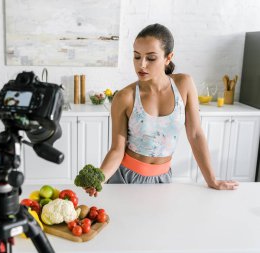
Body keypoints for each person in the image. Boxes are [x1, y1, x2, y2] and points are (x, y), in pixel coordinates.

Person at [86, 23, 239, 197]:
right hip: (125, 179)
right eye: (137, 57)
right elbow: (117, 149)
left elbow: (195, 134)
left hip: (163, 180)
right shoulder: (124, 97)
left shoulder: (184, 85)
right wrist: (99, 178)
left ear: (168, 57)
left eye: (151, 58)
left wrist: (212, 180)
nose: (141, 64)